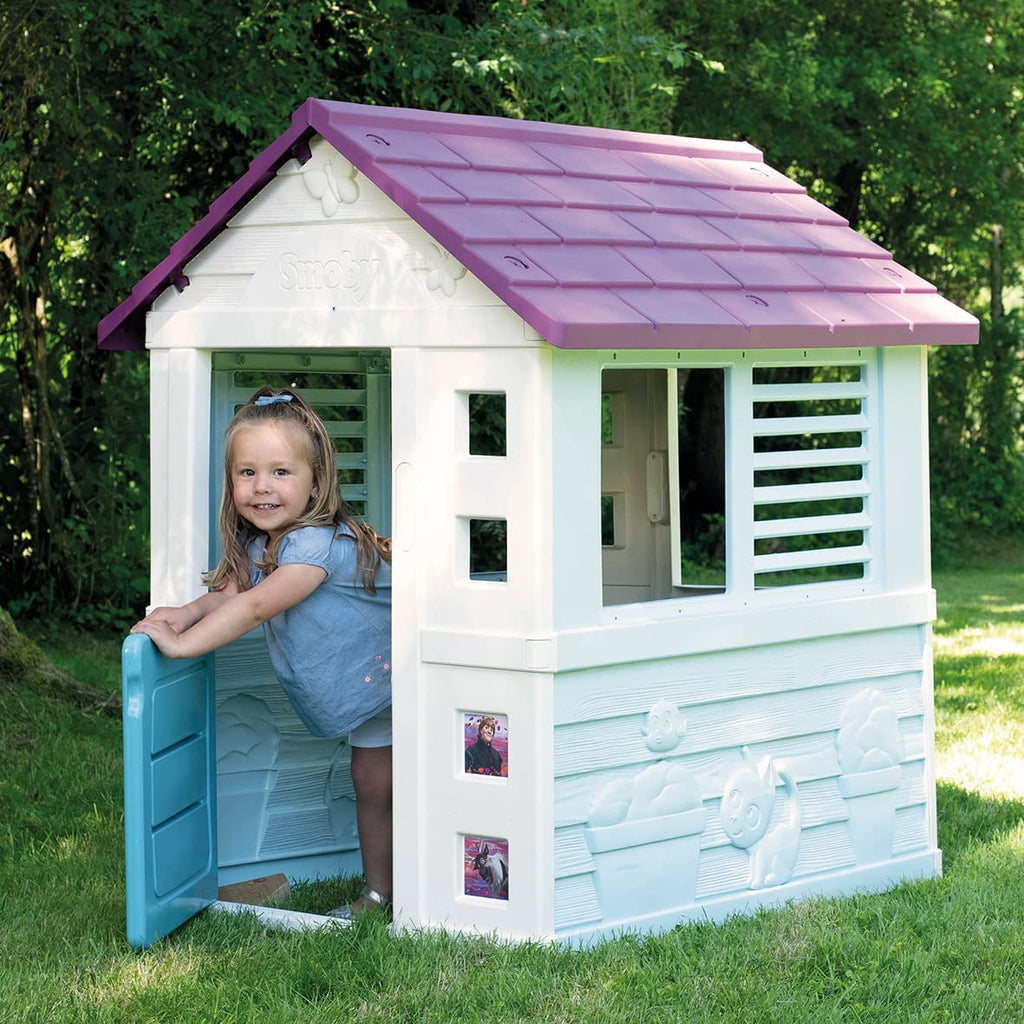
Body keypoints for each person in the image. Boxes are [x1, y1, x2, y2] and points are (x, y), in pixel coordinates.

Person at [131, 386, 393, 919]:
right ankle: (380, 895)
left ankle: (420, 880)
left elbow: (252, 609)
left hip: (410, 676)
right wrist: (181, 614)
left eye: (280, 472)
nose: (262, 487)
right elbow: (229, 594)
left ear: (316, 482)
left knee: (413, 781)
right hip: (377, 690)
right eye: (247, 473)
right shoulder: (262, 545)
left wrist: (183, 647)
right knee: (371, 782)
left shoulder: (315, 546)